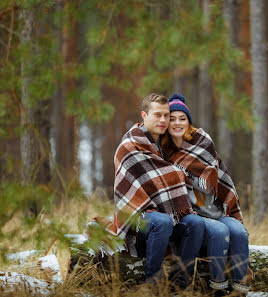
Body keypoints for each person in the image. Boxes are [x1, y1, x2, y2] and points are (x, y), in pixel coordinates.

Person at [91, 93, 205, 288]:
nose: (163, 120)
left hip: (166, 215)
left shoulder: (165, 145)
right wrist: (177, 174)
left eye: (166, 115)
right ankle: (152, 285)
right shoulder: (129, 145)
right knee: (161, 222)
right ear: (144, 115)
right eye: (157, 115)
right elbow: (165, 177)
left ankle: (180, 285)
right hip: (137, 218)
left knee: (195, 223)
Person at [161, 93, 251, 296]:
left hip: (214, 209)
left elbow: (218, 179)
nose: (177, 123)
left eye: (182, 118)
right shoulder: (162, 150)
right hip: (190, 214)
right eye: (172, 119)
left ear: (188, 121)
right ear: (166, 123)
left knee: (238, 232)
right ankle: (217, 288)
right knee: (219, 232)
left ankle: (240, 290)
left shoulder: (203, 143)